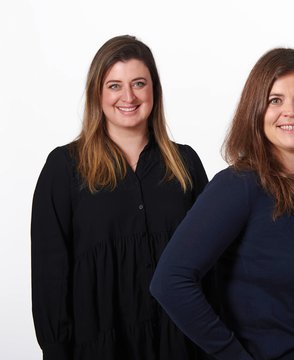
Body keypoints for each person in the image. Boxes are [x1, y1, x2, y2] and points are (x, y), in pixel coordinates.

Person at [150, 48, 294, 360]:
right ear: (256, 111)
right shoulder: (238, 186)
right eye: (275, 100)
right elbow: (170, 282)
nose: (290, 111)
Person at [31, 35, 208, 360]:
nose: (128, 96)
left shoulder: (186, 165)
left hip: (180, 346)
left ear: (154, 90)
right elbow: (49, 275)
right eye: (114, 85)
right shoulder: (64, 169)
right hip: (100, 346)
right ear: (97, 93)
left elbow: (210, 265)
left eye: (139, 83)